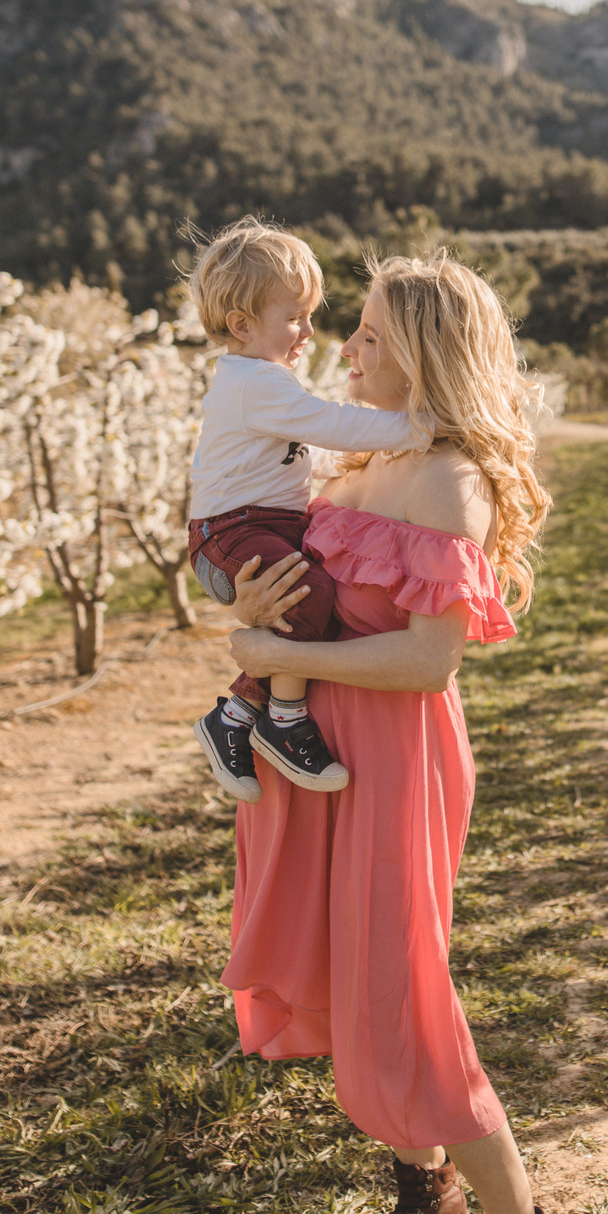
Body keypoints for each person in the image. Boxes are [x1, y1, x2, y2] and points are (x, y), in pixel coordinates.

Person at [219, 251, 566, 1214]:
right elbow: (295, 590)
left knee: (401, 988)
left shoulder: (446, 481)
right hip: (312, 749)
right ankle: (425, 1193)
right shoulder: (347, 465)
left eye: (366, 333)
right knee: (333, 963)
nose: (347, 350)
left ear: (421, 348)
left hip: (392, 749)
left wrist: (269, 646)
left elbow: (423, 663)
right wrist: (261, 611)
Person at [183, 220, 427, 801]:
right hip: (236, 530)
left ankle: (237, 717)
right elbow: (333, 425)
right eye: (295, 318)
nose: (310, 333)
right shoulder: (257, 381)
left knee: (306, 594)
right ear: (243, 325)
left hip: (254, 526)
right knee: (309, 597)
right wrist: (419, 426)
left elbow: (304, 451)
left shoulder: (259, 381)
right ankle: (283, 719)